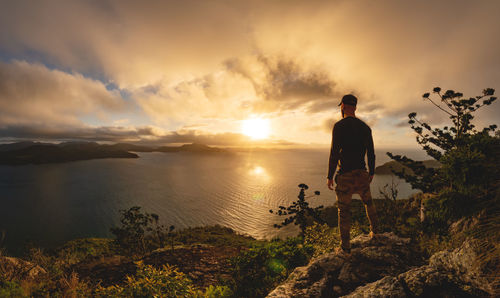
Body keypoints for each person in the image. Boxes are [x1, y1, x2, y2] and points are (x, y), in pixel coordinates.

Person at [327, 94, 378, 254]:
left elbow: (334, 152)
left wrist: (329, 175)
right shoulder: (365, 128)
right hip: (362, 173)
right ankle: (375, 233)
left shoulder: (339, 126)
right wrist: (371, 172)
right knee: (368, 204)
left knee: (344, 211)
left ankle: (346, 247)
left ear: (342, 106)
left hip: (345, 175)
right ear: (355, 107)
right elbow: (371, 153)